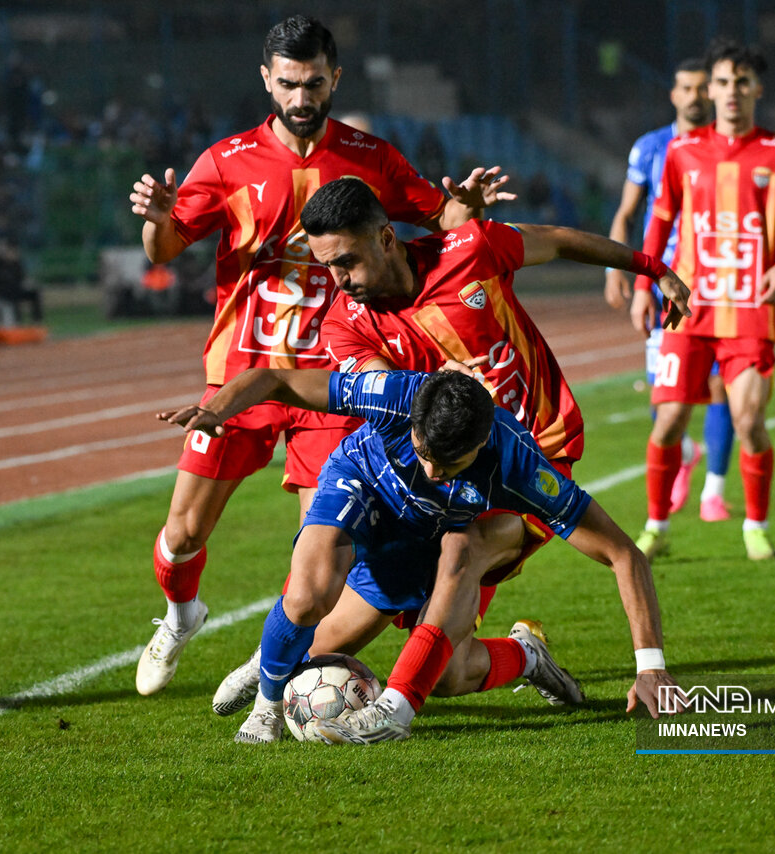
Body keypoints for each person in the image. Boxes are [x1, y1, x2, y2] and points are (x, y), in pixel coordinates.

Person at [206, 176, 691, 725]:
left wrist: (651, 268)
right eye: (327, 267)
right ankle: (525, 654)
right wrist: (445, 381)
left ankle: (392, 715)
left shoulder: (472, 250)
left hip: (531, 460)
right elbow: (401, 404)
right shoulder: (347, 324)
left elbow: (558, 241)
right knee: (428, 670)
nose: (338, 281)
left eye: (346, 261)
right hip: (442, 470)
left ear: (386, 239)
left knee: (468, 546)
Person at [126, 15, 515, 697]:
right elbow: (163, 250)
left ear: (334, 78)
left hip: (337, 384)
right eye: (287, 83)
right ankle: (182, 615)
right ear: (266, 80)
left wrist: (467, 208)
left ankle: (282, 673)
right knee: (182, 533)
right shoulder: (226, 161)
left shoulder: (372, 158)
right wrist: (158, 220)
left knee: (327, 550)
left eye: (312, 83)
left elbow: (443, 222)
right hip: (243, 374)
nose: (300, 97)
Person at [160, 368, 685, 743]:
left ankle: (524, 656)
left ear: (481, 444)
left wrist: (652, 667)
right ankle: (267, 702)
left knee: (449, 675)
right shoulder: (394, 394)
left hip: (432, 536)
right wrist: (216, 409)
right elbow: (277, 379)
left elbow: (624, 554)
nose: (431, 472)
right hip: (362, 483)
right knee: (307, 597)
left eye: (449, 464)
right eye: (424, 453)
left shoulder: (518, 463)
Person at [633, 38, 775, 562]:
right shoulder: (682, 151)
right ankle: (656, 526)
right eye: (722, 82)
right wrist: (644, 285)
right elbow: (660, 222)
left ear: (757, 89)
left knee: (749, 423)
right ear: (709, 90)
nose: (731, 91)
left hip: (751, 311)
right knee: (669, 421)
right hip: (688, 308)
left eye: (741, 82)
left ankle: (756, 525)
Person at [608, 58, 737, 524]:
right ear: (674, 95)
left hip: (718, 283)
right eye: (687, 88)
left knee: (720, 386)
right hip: (665, 282)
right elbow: (628, 213)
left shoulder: (728, 146)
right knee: (664, 394)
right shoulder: (651, 148)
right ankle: (684, 453)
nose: (695, 96)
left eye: (703, 88)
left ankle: (714, 493)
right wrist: (618, 269)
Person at [0, 236, 43, 325]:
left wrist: (29, 283)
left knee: (34, 293)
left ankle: (36, 321)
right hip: (1, 293)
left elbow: (23, 279)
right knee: (12, 296)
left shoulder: (17, 264)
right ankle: (17, 321)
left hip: (16, 289)